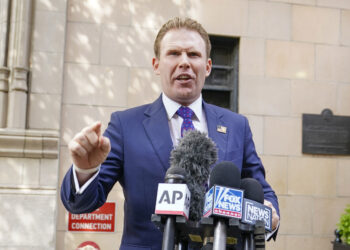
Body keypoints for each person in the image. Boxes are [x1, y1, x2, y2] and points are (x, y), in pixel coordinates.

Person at [61, 17, 280, 250]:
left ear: (207, 66)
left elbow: (262, 191)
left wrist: (270, 215)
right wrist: (85, 170)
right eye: (174, 53)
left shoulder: (237, 126)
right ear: (156, 65)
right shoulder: (125, 125)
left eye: (193, 55)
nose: (184, 62)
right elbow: (81, 204)